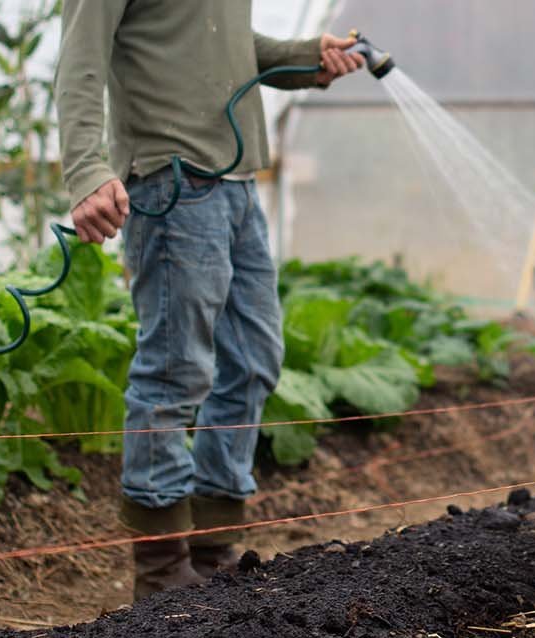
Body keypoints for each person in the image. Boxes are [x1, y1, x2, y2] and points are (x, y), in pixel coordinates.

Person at [54, 0, 365, 601]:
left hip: (237, 183)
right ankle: (162, 569)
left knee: (253, 358)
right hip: (172, 183)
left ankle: (212, 547)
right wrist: (87, 168)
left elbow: (213, 36)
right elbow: (80, 60)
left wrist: (306, 57)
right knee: (175, 372)